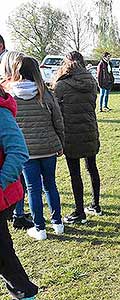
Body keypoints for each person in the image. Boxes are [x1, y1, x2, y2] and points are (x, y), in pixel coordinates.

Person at [7, 55, 65, 241]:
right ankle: (58, 223)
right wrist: (60, 143)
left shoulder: (11, 96)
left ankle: (40, 228)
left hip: (26, 152)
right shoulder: (45, 94)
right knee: (50, 185)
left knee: (33, 189)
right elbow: (58, 121)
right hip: (48, 148)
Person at [53, 51, 102, 224]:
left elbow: (56, 111)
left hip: (71, 133)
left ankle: (79, 211)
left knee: (75, 173)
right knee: (92, 168)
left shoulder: (61, 85)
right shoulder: (91, 82)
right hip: (89, 129)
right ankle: (96, 204)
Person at [0, 86, 39, 300]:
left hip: (1, 197)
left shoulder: (1, 112)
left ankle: (26, 294)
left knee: (5, 260)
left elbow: (18, 151)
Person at [0, 51, 34, 230]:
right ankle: (20, 215)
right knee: (34, 186)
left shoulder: (7, 98)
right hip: (43, 148)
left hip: (21, 150)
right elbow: (57, 120)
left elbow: (18, 150)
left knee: (28, 184)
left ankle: (19, 215)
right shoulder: (44, 93)